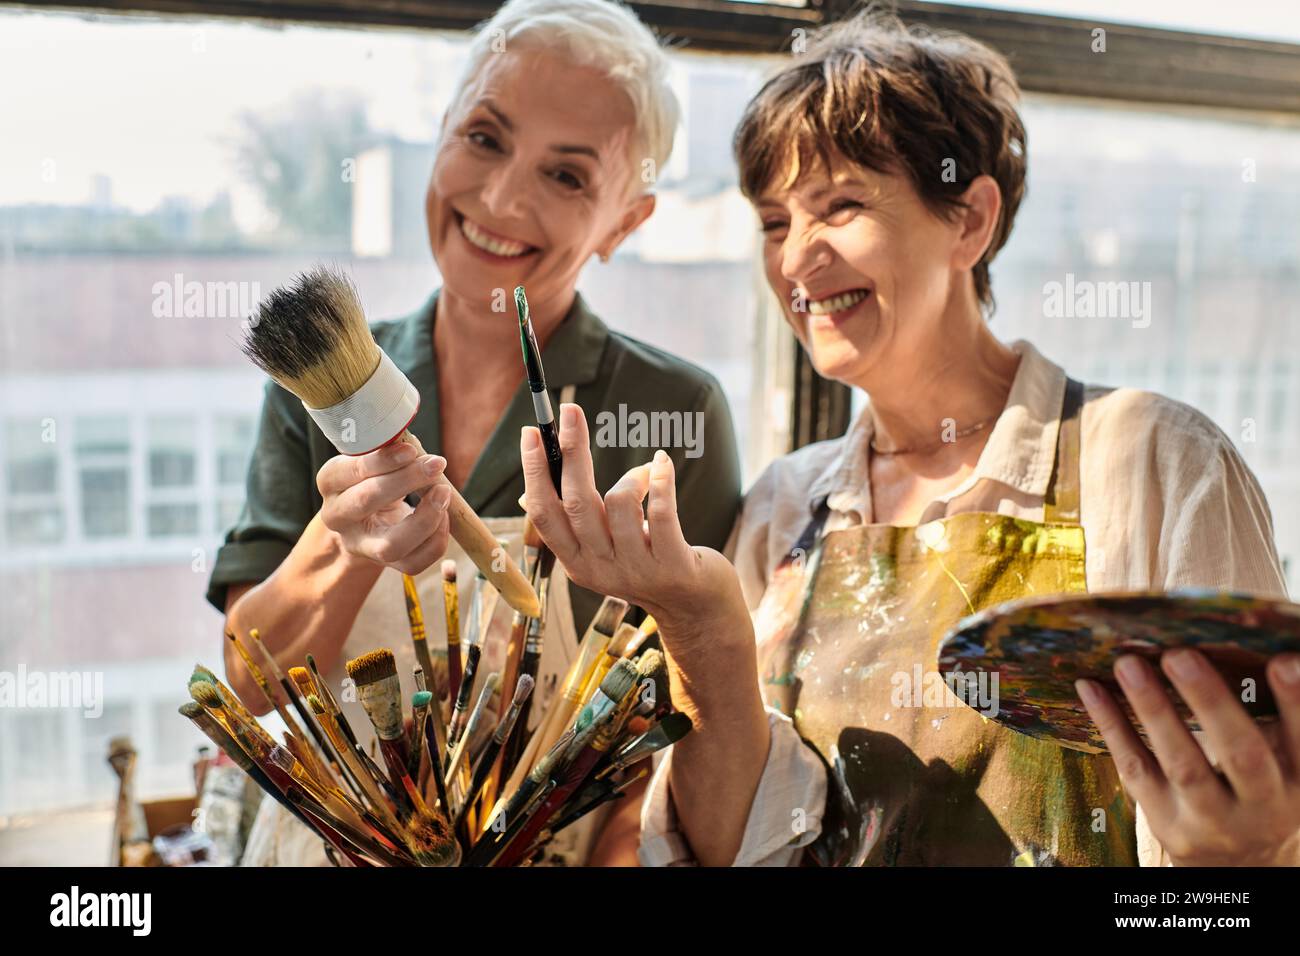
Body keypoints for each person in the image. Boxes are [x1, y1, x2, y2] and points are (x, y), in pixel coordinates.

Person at [519, 11, 1299, 866]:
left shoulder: (1151, 460)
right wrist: (698, 625)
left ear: (970, 220)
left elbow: (1240, 839)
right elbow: (724, 846)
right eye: (775, 223)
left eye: (840, 207)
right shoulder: (785, 504)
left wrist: (1235, 861)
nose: (794, 261)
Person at [205, 0, 740, 865]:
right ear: (442, 137)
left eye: (567, 177)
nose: (500, 199)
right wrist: (347, 548)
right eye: (484, 139)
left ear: (625, 223)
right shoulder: (323, 381)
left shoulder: (673, 413)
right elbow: (250, 685)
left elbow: (677, 718)